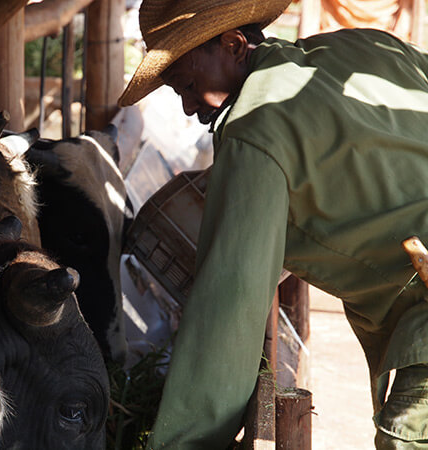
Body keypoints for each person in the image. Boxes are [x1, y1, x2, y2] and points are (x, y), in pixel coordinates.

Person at [118, 0, 428, 448]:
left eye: (187, 84)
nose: (187, 107)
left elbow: (229, 303)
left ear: (234, 44)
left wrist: (181, 442)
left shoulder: (252, 129)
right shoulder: (363, 47)